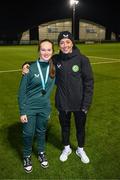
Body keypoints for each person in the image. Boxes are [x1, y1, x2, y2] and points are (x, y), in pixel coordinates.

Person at [22, 31, 94, 164]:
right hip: (62, 102)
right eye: (62, 42)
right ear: (59, 45)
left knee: (80, 128)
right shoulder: (56, 59)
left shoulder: (82, 59)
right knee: (65, 128)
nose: (65, 45)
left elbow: (89, 83)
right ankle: (66, 148)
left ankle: (80, 149)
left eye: (67, 42)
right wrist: (26, 64)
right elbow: (41, 62)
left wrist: (86, 105)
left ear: (72, 42)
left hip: (79, 104)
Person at [18, 39, 55, 173]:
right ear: (39, 50)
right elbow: (21, 92)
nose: (46, 52)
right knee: (28, 134)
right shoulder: (30, 68)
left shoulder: (54, 67)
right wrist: (22, 111)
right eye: (43, 49)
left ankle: (41, 152)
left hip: (44, 108)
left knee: (41, 132)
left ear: (53, 51)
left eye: (49, 49)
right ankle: (27, 156)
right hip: (29, 108)